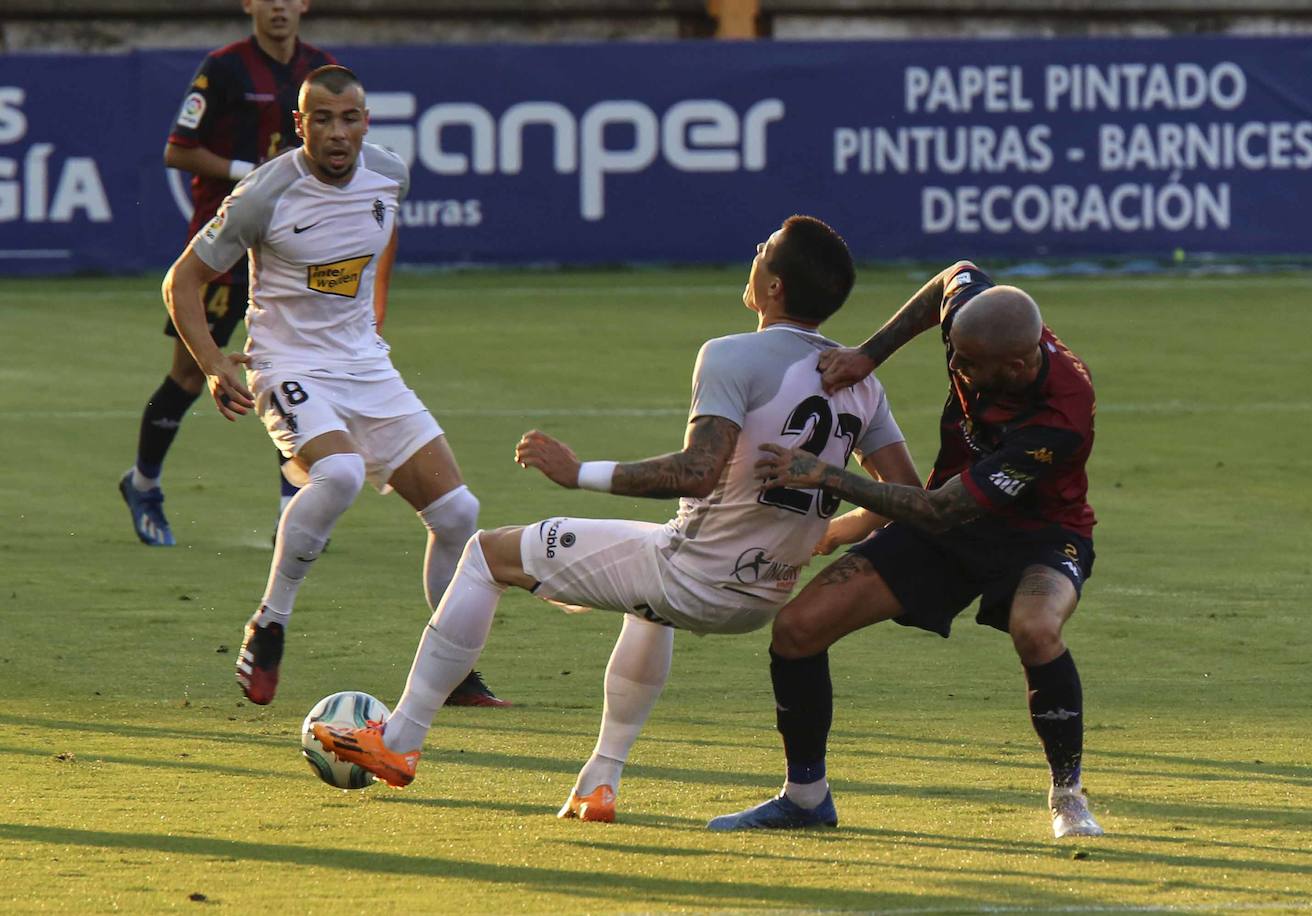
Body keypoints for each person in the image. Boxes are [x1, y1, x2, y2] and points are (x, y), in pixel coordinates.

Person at [313, 215, 919, 823]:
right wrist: (837, 529)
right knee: (646, 600)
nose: (755, 254)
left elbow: (696, 473)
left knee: (484, 556)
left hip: (690, 573)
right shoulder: (862, 386)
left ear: (775, 286)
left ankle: (400, 740)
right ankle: (599, 781)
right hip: (763, 595)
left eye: (765, 250)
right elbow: (906, 494)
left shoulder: (734, 355)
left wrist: (579, 473)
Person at [707, 263, 1106, 839]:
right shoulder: (979, 323)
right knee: (797, 629)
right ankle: (805, 799)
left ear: (1017, 367)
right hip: (949, 529)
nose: (957, 371)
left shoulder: (1059, 418)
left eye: (969, 366)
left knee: (1036, 627)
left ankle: (1067, 795)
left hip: (1041, 534)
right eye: (956, 355)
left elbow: (941, 508)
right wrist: (870, 354)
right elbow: (956, 274)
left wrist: (828, 477)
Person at [160, 65, 506, 709]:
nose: (337, 132)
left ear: (366, 122)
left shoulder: (390, 173)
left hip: (366, 366)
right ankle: (269, 623)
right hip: (287, 364)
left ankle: (451, 672)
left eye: (349, 118)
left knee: (459, 513)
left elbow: (380, 234)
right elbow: (180, 282)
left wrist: (375, 313)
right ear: (300, 125)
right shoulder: (264, 194)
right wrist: (212, 364)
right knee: (340, 474)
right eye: (322, 119)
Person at [120, 0, 333, 549]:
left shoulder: (321, 68)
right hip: (225, 244)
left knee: (295, 369)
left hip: (291, 249)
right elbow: (178, 150)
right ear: (250, 5)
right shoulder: (225, 68)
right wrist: (249, 173)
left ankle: (294, 511)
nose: (280, 7)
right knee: (190, 375)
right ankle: (143, 483)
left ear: (304, 4)